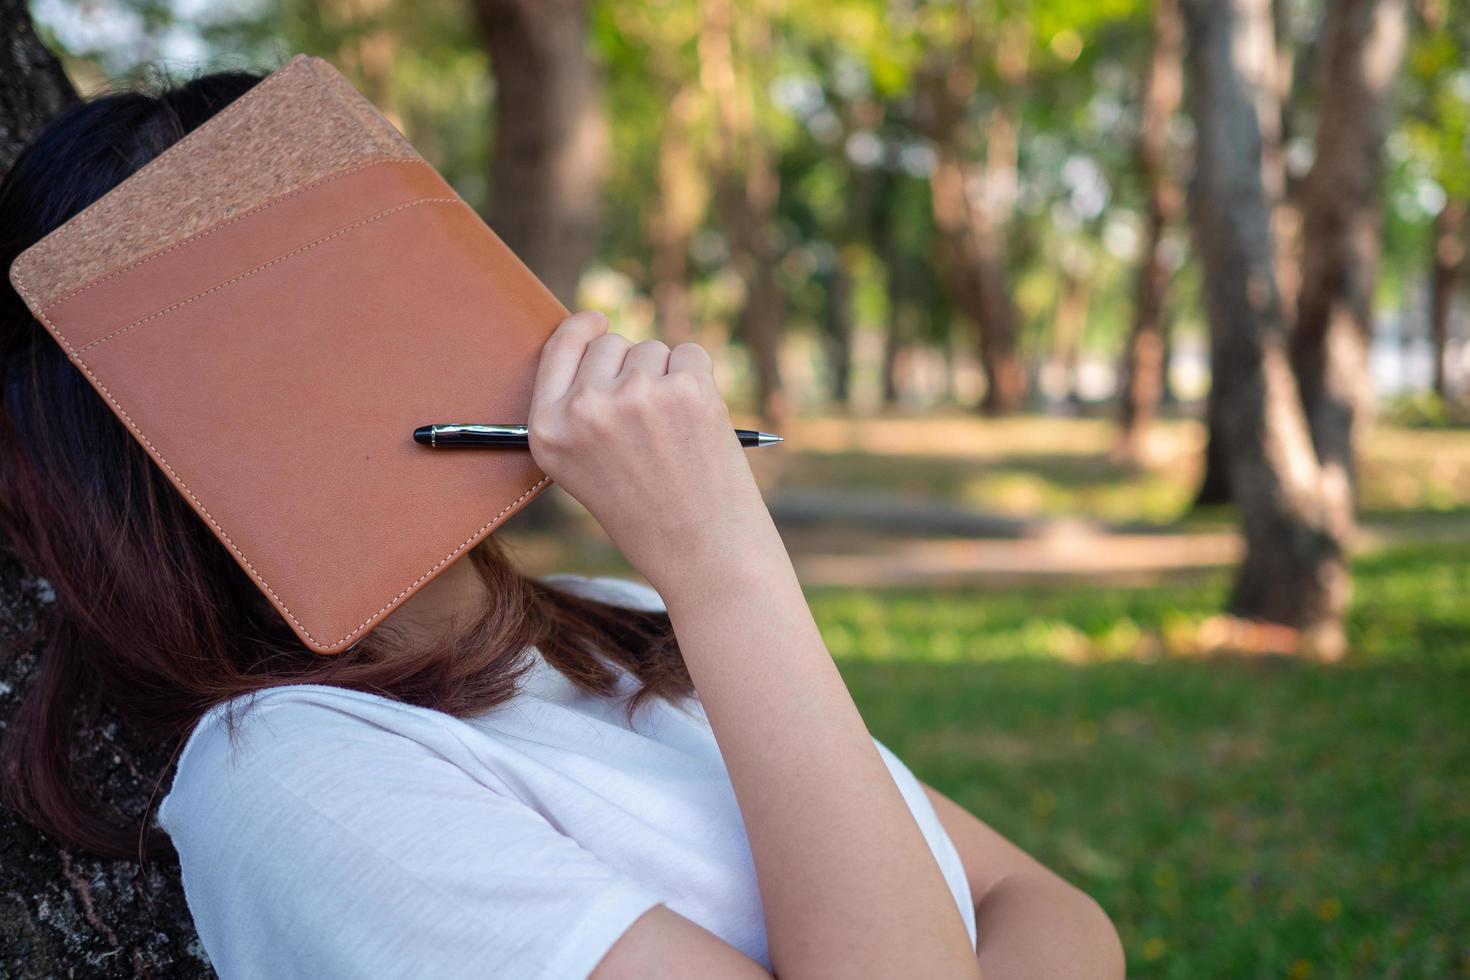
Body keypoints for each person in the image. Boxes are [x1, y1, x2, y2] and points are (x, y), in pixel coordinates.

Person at [0, 68, 1125, 979]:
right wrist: (723, 560)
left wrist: (702, 583)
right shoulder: (298, 784)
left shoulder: (622, 619)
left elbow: (1049, 903)